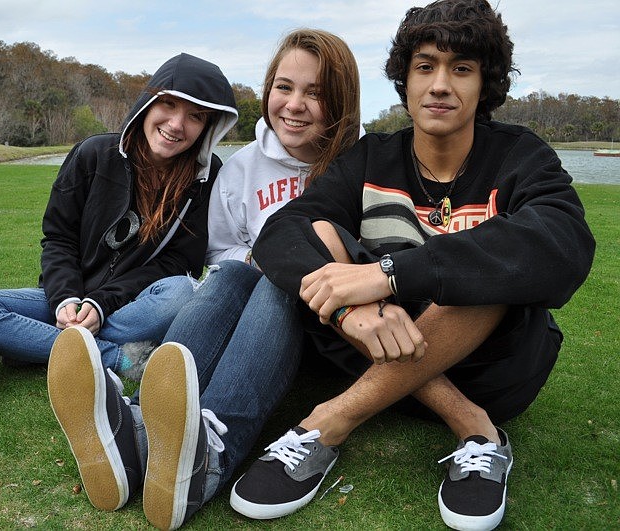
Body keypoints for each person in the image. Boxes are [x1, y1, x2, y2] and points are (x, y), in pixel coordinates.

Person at [231, 2, 596, 530]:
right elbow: (283, 232)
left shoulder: (521, 156)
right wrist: (350, 314)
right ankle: (470, 426)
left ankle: (331, 421)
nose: (441, 85)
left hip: (492, 372)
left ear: (484, 84)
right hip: (374, 346)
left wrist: (389, 275)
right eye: (425, 67)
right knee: (321, 232)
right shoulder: (372, 157)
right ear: (404, 79)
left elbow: (563, 245)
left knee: (494, 262)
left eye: (461, 69)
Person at [46, 29, 362, 530]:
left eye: (316, 93)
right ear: (267, 91)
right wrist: (257, 260)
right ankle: (140, 426)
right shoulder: (242, 168)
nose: (295, 105)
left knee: (278, 279)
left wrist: (286, 265)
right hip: (255, 315)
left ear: (341, 101)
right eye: (284, 87)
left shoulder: (357, 167)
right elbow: (218, 252)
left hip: (328, 326)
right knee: (234, 274)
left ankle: (210, 447)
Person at [0, 53, 238, 379]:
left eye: (195, 116)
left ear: (208, 128)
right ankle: (118, 359)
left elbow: (181, 263)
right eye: (169, 105)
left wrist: (102, 305)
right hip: (65, 299)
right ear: (148, 102)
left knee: (182, 292)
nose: (176, 124)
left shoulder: (206, 175)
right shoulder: (93, 154)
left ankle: (34, 346)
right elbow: (59, 238)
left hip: (130, 307)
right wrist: (66, 301)